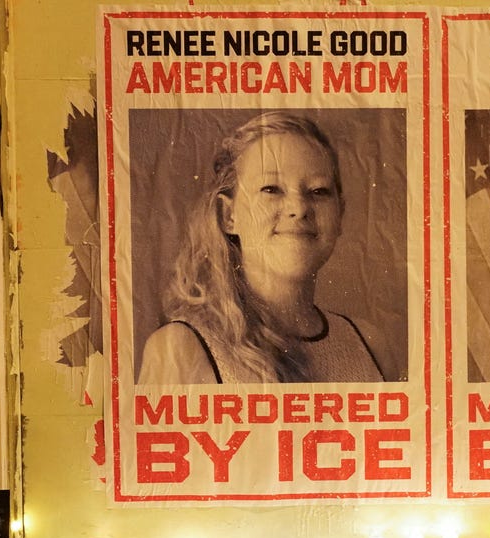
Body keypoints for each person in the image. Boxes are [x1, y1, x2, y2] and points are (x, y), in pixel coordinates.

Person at [138, 111, 388, 384]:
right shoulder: (181, 349)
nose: (299, 208)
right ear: (229, 216)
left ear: (340, 214)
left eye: (318, 191)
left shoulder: (369, 343)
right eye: (271, 189)